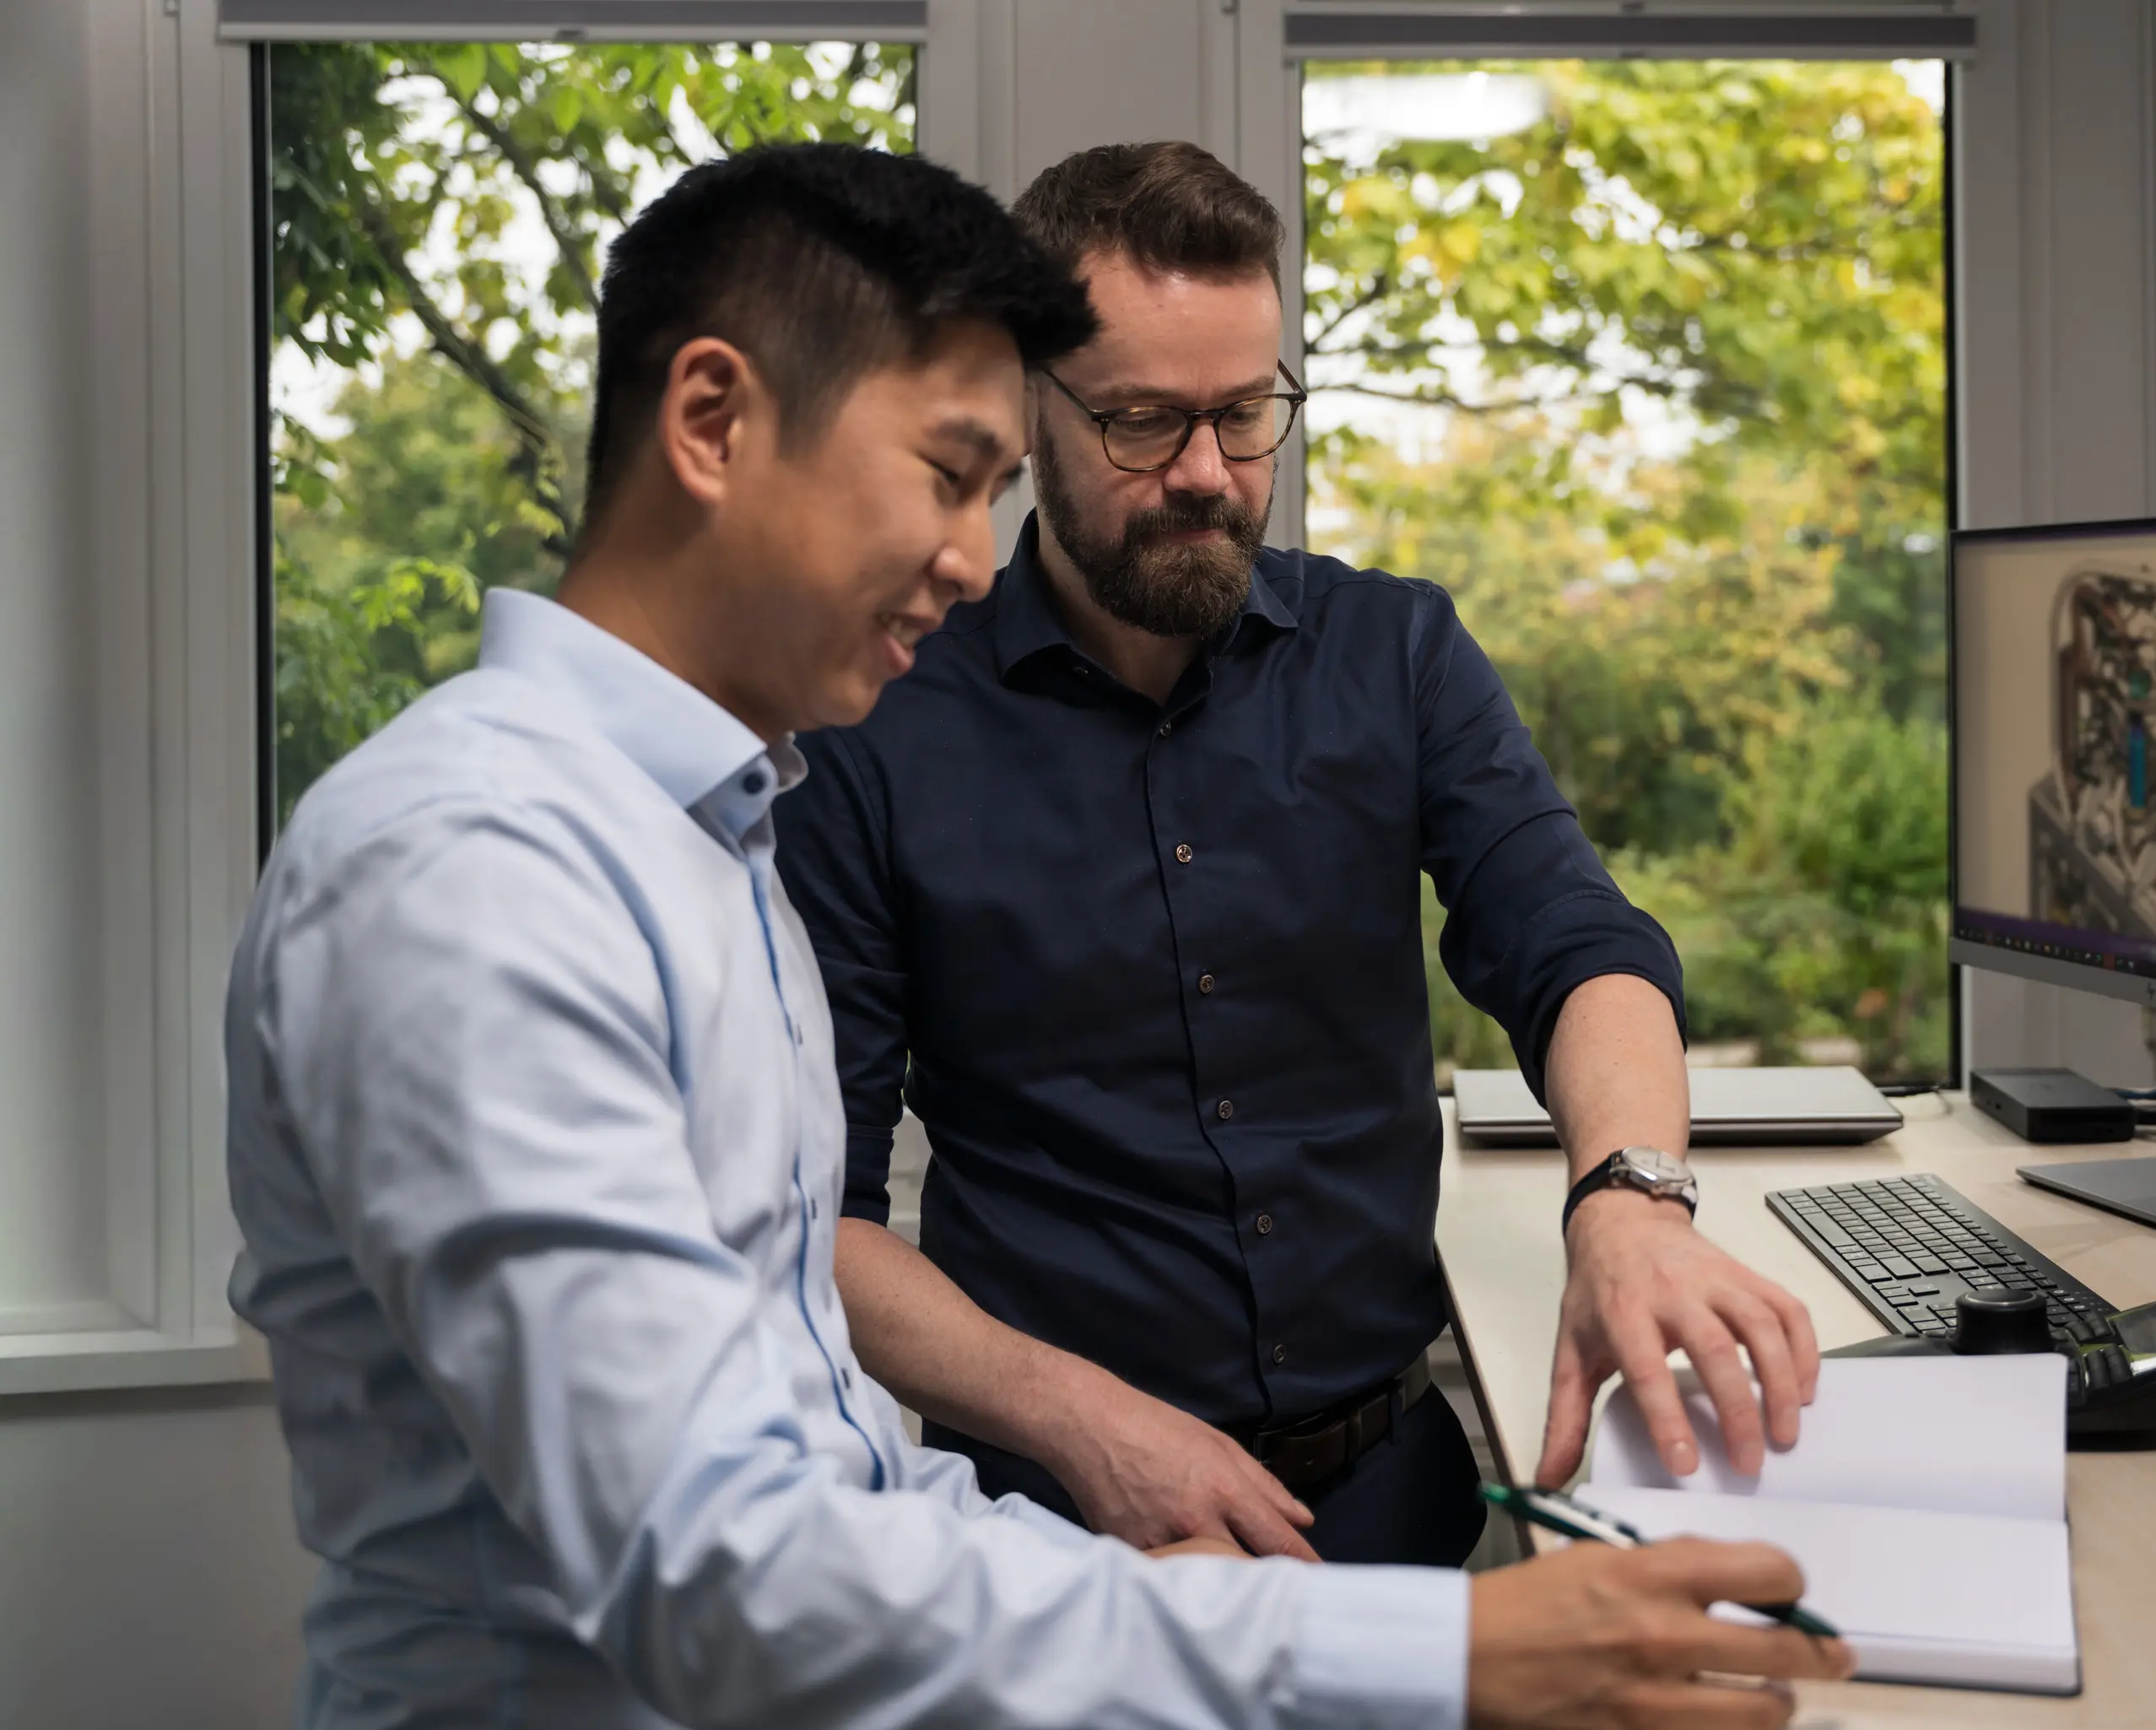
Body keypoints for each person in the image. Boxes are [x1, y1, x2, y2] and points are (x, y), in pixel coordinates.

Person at [224, 141, 1847, 1728]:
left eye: (987, 488)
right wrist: (1422, 1659)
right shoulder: (478, 868)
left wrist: (1336, 1616)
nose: (962, 554)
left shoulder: (702, 837)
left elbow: (830, 1466)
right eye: (949, 474)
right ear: (712, 421)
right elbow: (722, 1573)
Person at [774, 141, 1824, 1571]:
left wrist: (1631, 1198)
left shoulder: (1395, 653)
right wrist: (1085, 1423)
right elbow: (809, 1213)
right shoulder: (879, 723)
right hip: (1061, 1535)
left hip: (1394, 1496)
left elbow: (1578, 943)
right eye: (1143, 421)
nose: (1207, 473)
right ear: (1029, 401)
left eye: (1246, 413)